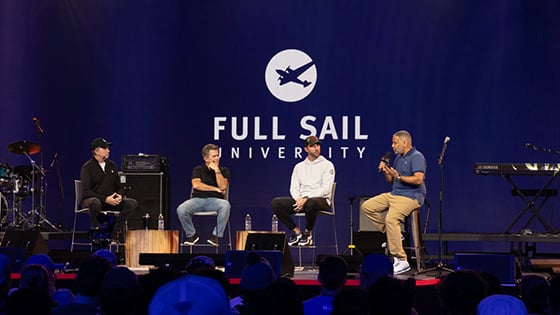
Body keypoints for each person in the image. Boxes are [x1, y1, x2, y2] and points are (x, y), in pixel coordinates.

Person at [360, 130, 426, 274]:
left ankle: (401, 260)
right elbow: (391, 181)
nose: (393, 146)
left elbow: (419, 179)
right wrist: (386, 170)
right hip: (395, 194)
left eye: (395, 142)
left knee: (391, 219)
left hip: (411, 196)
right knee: (367, 206)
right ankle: (393, 234)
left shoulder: (416, 157)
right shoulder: (397, 158)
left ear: (405, 142)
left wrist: (400, 177)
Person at [271, 135, 335, 246]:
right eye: (312, 146)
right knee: (276, 203)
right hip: (301, 201)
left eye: (318, 145)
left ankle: (308, 233)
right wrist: (298, 200)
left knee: (311, 202)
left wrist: (306, 198)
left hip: (321, 201)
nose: (316, 148)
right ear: (306, 149)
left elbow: (326, 190)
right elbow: (294, 187)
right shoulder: (299, 167)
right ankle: (297, 232)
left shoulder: (327, 165)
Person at [80, 137, 138, 242]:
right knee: (95, 202)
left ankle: (116, 230)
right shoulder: (87, 167)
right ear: (96, 151)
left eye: (108, 148)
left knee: (131, 203)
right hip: (94, 200)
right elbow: (86, 191)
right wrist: (105, 199)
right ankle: (95, 229)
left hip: (111, 200)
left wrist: (119, 195)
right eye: (105, 148)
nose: (108, 150)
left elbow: (119, 186)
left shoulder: (112, 166)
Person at [177, 143, 230, 246]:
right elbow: (196, 185)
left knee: (226, 205)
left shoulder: (224, 170)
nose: (217, 158)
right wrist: (215, 189)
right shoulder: (198, 169)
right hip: (197, 200)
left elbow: (223, 186)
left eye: (218, 155)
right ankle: (192, 235)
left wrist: (216, 170)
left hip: (215, 201)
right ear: (206, 158)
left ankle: (215, 237)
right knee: (181, 209)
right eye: (214, 156)